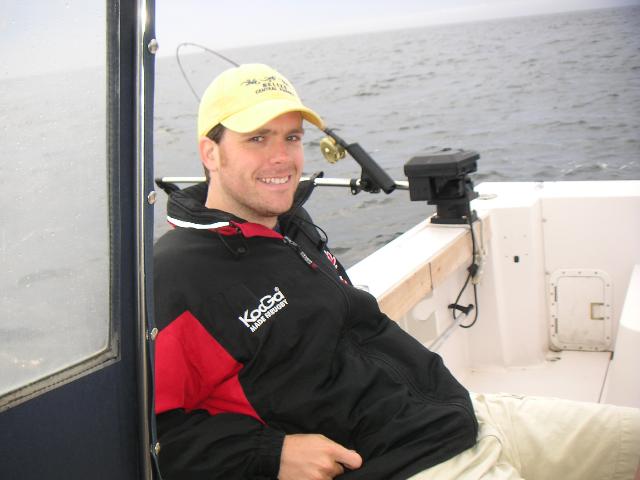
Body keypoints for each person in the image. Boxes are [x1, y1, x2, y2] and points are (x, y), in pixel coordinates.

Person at [153, 63, 640, 480]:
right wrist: (270, 454)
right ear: (210, 152)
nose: (281, 157)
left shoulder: (291, 227)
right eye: (257, 138)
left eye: (292, 137)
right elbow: (150, 434)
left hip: (462, 413)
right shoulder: (178, 275)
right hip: (409, 464)